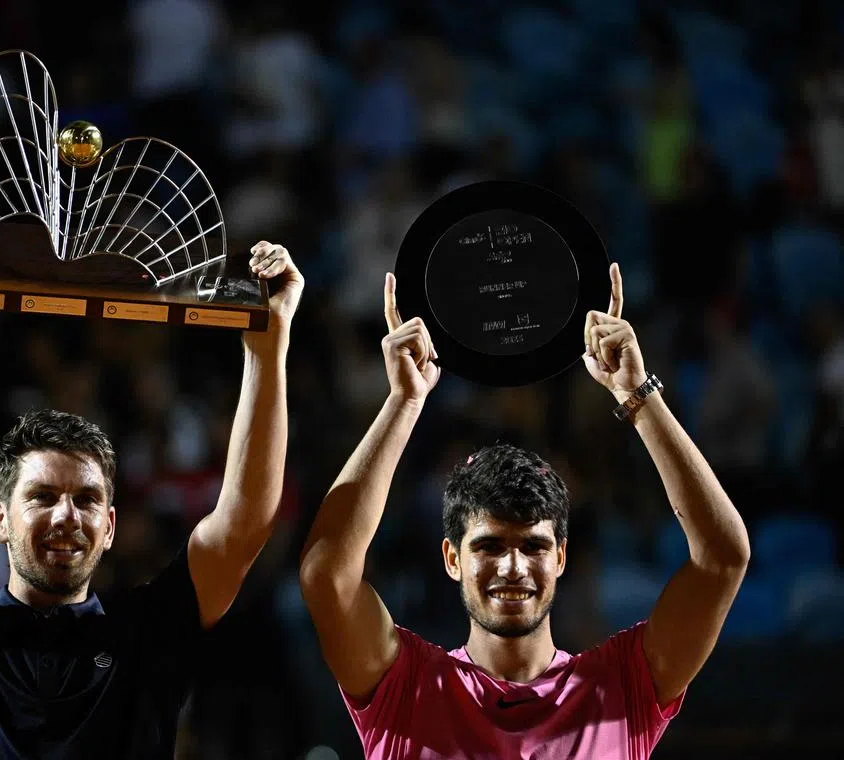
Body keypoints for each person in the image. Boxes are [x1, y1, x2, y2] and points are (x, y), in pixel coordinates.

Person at [0, 219, 303, 758]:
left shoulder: (145, 639)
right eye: (42, 497)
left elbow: (244, 522)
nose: (67, 515)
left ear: (109, 527)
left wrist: (269, 347)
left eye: (87, 499)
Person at [299, 266, 750, 759]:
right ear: (452, 558)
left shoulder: (620, 689)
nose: (513, 566)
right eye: (489, 545)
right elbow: (327, 574)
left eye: (533, 545)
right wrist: (404, 402)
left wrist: (638, 395)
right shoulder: (406, 685)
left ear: (560, 556)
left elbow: (723, 557)